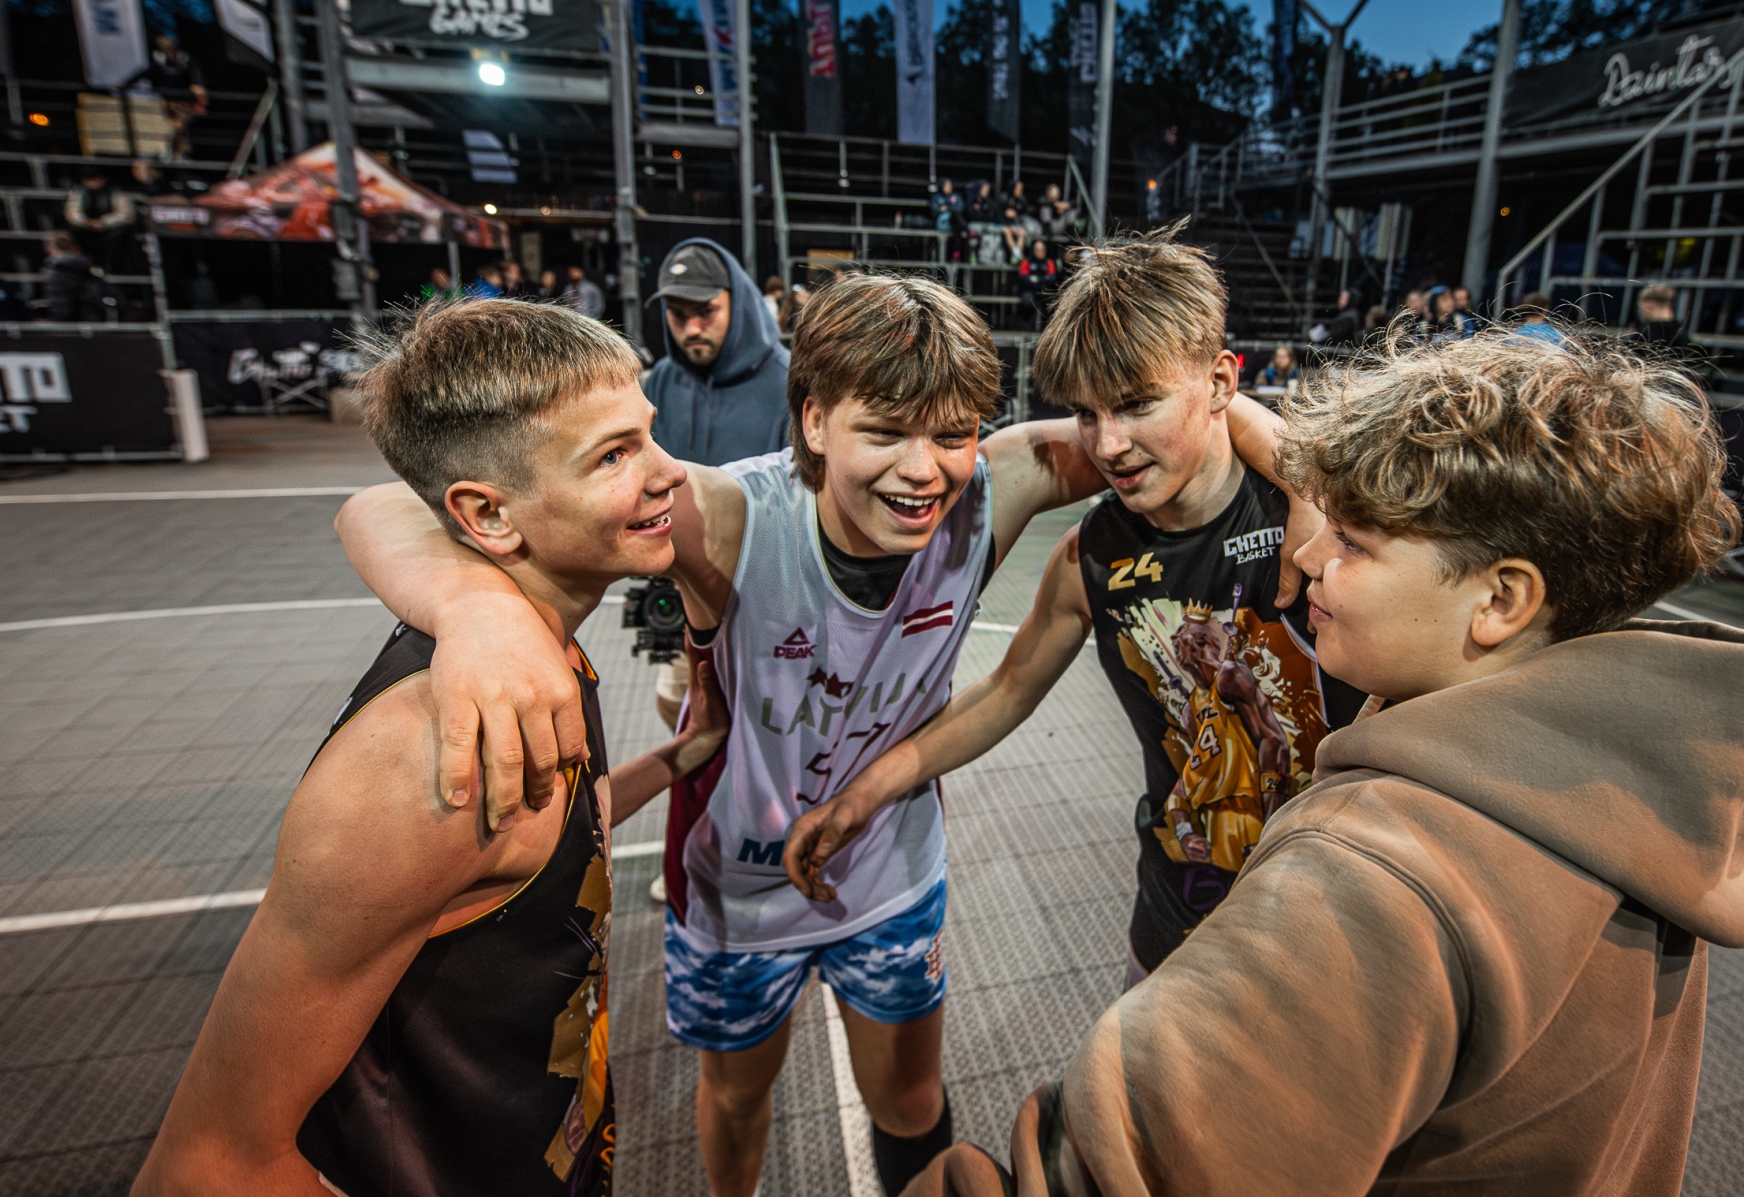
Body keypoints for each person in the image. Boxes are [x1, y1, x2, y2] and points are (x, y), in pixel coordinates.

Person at [332, 272, 1292, 1197]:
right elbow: (384, 505)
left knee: (911, 1102)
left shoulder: (996, 484)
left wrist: (1277, 447)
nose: (924, 469)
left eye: (952, 433)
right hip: (735, 888)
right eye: (885, 432)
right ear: (816, 420)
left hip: (890, 872)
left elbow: (1178, 419)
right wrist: (472, 611)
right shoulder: (727, 516)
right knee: (737, 1099)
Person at [902, 330, 1744, 1197]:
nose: (1311, 551)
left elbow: (1139, 1161)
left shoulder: (1372, 878)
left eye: (1355, 541)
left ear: (1502, 598)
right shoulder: (1637, 800)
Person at [133, 300, 726, 1197]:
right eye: (614, 456)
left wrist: (685, 753)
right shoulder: (423, 762)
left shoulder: (529, 659)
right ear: (487, 514)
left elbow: (544, 852)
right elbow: (205, 1167)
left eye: (647, 434)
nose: (669, 471)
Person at [784, 238, 1356, 992]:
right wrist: (868, 789)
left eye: (1138, 404)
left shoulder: (1334, 525)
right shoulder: (1092, 555)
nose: (1110, 444)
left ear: (1221, 381)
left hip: (1342, 911)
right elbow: (1008, 689)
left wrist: (1312, 477)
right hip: (1181, 909)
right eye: (1087, 413)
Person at [639, 239, 791, 756]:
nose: (691, 328)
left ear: (737, 303)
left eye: (705, 312)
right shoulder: (662, 380)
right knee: (677, 704)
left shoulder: (788, 382)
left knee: (768, 727)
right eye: (677, 315)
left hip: (763, 604)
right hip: (678, 594)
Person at [148, 35, 208, 159]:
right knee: (176, 126)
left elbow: (195, 73)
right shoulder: (159, 59)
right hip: (168, 99)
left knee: (179, 126)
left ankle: (176, 153)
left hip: (184, 99)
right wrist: (128, 84)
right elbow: (149, 73)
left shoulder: (185, 58)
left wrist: (198, 85)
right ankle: (176, 152)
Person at [64, 168, 137, 258]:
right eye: (88, 179)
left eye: (94, 178)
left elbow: (126, 214)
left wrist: (103, 222)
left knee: (120, 234)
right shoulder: (78, 191)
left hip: (111, 228)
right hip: (86, 227)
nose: (91, 182)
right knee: (71, 232)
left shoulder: (116, 191)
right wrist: (85, 221)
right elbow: (72, 212)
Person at [41, 233, 107, 322]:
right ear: (73, 247)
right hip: (90, 317)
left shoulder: (51, 270)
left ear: (50, 250)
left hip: (61, 318)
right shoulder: (88, 267)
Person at [1016, 238, 1059, 328]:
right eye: (1037, 250)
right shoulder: (1026, 262)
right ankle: (1027, 325)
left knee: (1052, 301)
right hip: (1030, 291)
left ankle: (1046, 326)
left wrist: (1036, 279)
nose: (1040, 252)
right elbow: (1024, 279)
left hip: (1044, 291)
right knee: (1027, 300)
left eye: (1041, 250)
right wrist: (1043, 279)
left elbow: (1052, 279)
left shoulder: (1049, 262)